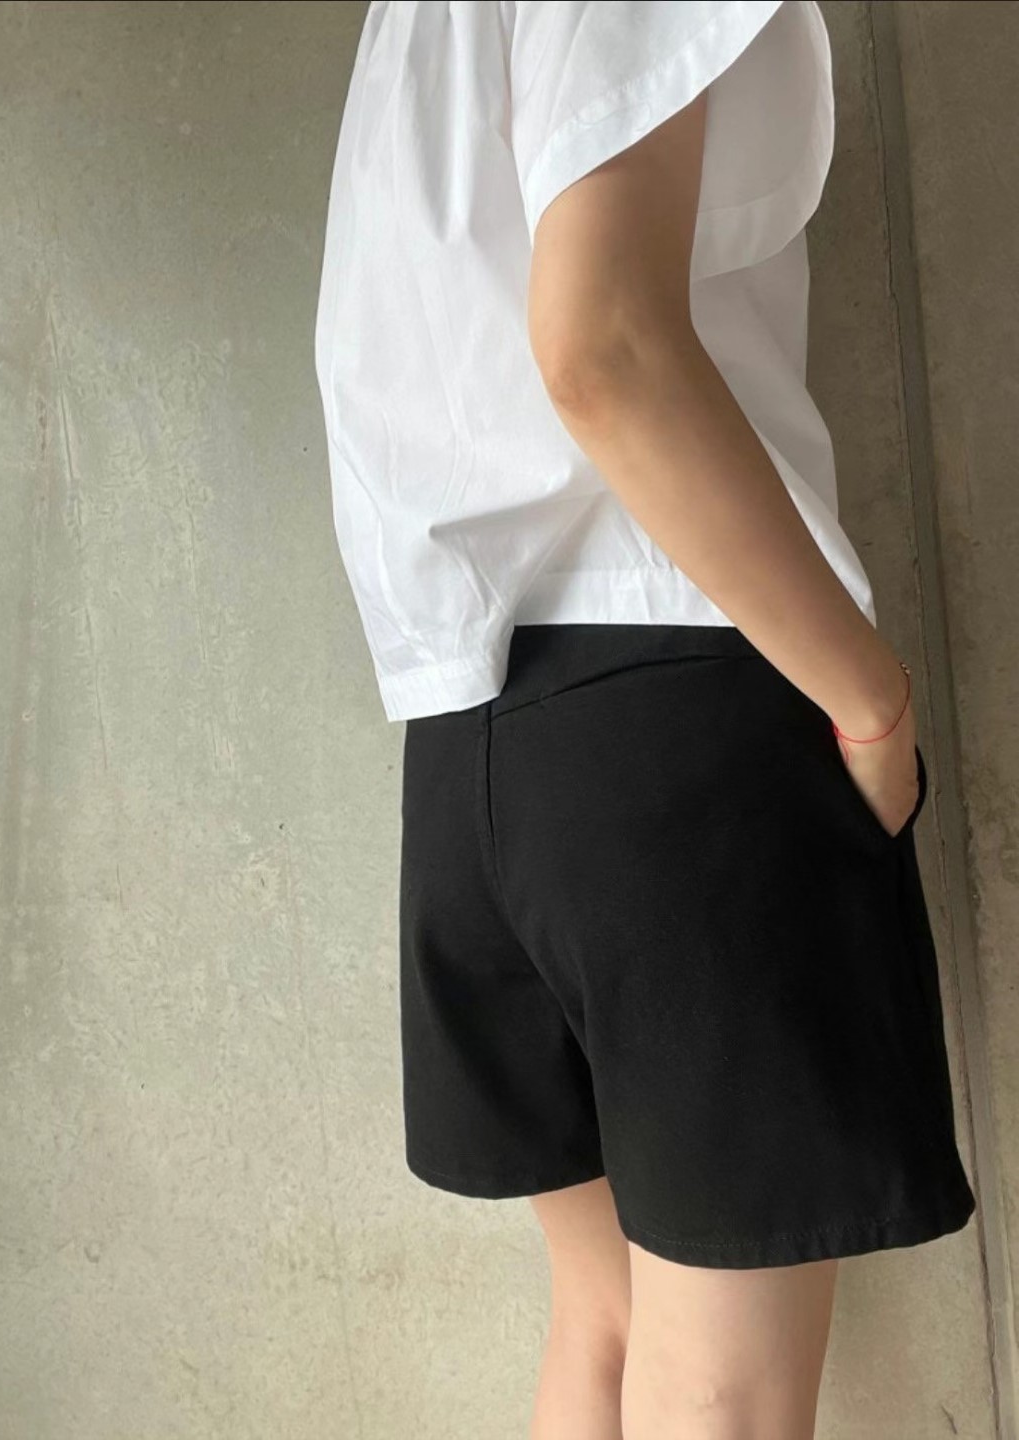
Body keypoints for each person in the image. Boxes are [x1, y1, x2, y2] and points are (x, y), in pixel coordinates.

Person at [313, 2, 978, 1435]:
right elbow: (599, 343)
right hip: (679, 711)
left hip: (473, 738)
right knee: (719, 1396)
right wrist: (869, 698)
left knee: (605, 1326)